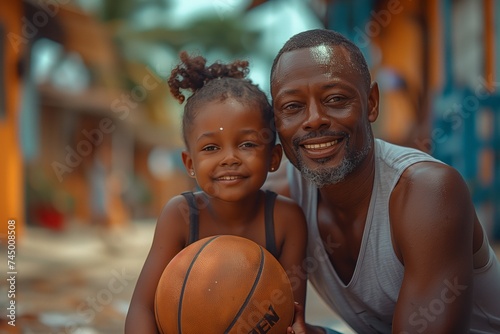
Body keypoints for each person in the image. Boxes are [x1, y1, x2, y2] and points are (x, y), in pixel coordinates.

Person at [269, 29, 500, 334]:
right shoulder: (281, 199)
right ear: (277, 123)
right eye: (292, 107)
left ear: (372, 103)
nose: (314, 119)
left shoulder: (427, 192)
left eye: (335, 99)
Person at [125, 51, 308, 333]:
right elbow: (142, 308)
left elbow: (290, 314)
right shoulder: (180, 215)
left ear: (274, 157)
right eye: (211, 148)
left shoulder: (286, 219)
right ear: (190, 163)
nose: (229, 158)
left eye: (247, 144)